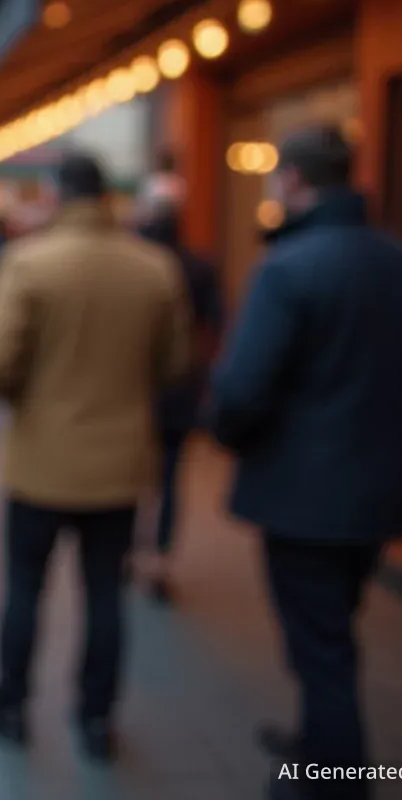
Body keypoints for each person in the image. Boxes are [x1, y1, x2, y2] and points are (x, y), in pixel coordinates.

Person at [209, 126, 402, 800]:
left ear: (293, 181)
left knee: (322, 650)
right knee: (332, 630)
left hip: (305, 496)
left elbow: (242, 390)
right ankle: (317, 744)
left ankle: (334, 778)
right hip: (380, 490)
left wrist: (237, 436)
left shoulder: (288, 267)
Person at [0, 153, 192, 760]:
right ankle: (95, 717)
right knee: (106, 593)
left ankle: (10, 702)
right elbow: (175, 365)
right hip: (119, 464)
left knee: (25, 589)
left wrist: (27, 394)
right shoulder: (153, 267)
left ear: (56, 197)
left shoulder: (28, 263)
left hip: (42, 462)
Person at [137, 200, 223, 603]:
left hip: (136, 389)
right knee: (169, 478)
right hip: (179, 388)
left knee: (133, 476)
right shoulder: (200, 267)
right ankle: (159, 556)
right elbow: (213, 328)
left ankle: (131, 550)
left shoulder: (137, 269)